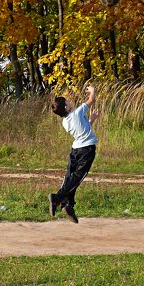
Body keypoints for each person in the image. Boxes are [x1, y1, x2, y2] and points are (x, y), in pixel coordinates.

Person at [49, 83, 99, 223]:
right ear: (66, 107)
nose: (70, 102)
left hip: (75, 150)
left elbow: (82, 129)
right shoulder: (77, 112)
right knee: (77, 177)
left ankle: (68, 205)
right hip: (87, 150)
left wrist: (92, 120)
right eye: (67, 101)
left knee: (70, 176)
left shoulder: (65, 122)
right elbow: (91, 100)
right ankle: (57, 198)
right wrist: (92, 91)